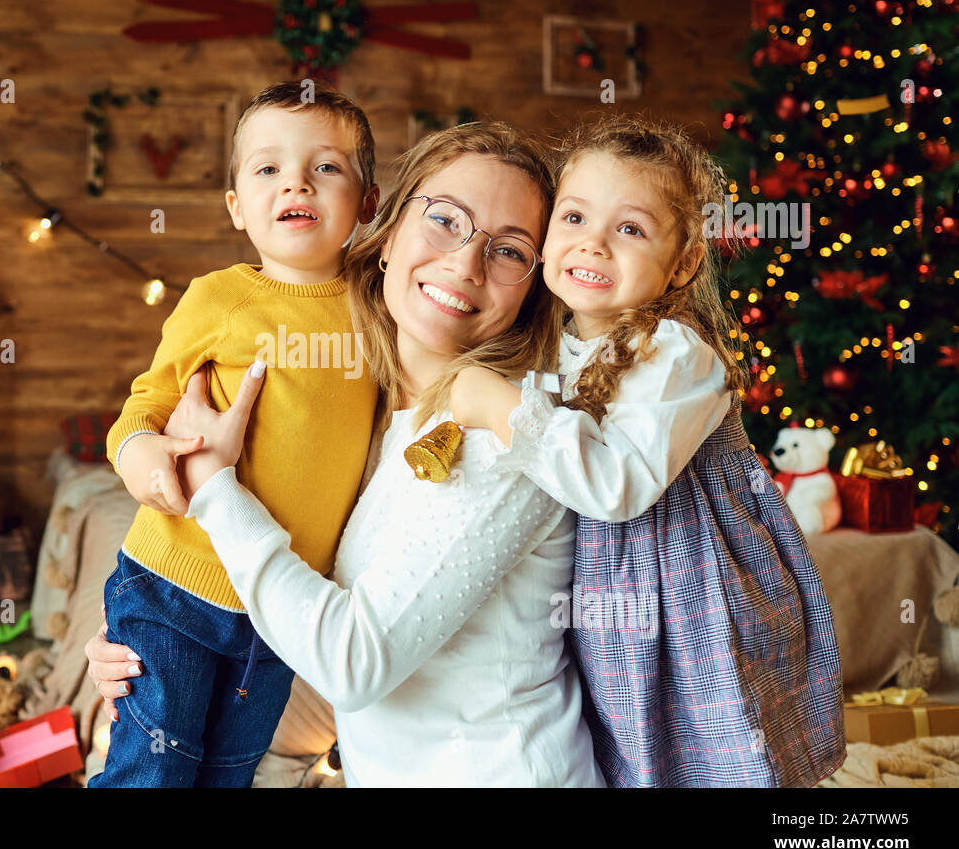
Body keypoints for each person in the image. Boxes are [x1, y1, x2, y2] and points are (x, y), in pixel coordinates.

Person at [90, 121, 606, 787]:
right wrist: (153, 637)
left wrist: (217, 491)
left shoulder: (500, 436)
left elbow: (353, 661)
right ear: (388, 233)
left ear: (533, 286)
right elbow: (317, 616)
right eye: (446, 219)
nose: (466, 263)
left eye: (509, 251)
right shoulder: (369, 407)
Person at [447, 114, 846, 786]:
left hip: (699, 593)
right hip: (614, 603)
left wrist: (498, 406)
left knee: (723, 750)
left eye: (629, 229)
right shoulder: (554, 349)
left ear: (685, 260)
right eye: (573, 218)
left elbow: (614, 485)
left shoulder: (676, 351)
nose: (593, 244)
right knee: (640, 752)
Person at [88, 82, 380, 787]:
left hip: (277, 611)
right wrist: (143, 456)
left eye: (327, 167)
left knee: (228, 773)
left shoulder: (379, 308)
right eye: (268, 168)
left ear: (367, 203)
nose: (296, 183)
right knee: (150, 771)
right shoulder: (220, 298)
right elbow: (146, 403)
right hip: (172, 582)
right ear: (237, 208)